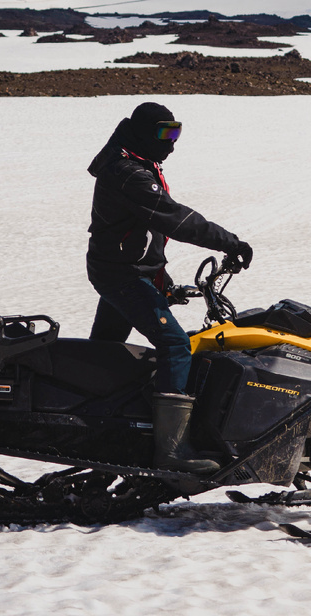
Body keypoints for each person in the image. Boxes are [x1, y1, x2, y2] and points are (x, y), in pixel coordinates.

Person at [86, 102, 252, 473]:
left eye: (176, 133)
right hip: (121, 275)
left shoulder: (138, 159)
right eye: (165, 134)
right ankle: (171, 452)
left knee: (105, 352)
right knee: (175, 346)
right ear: (144, 133)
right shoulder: (128, 171)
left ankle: (99, 433)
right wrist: (229, 242)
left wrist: (162, 282)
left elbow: (145, 232)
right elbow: (174, 219)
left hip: (123, 269)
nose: (172, 144)